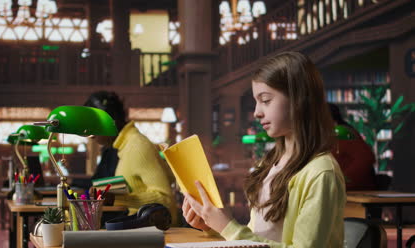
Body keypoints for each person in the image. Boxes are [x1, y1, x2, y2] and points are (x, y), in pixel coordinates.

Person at [182, 51, 346, 247]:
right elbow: (256, 239)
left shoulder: (321, 172)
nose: (257, 113)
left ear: (298, 100)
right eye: (256, 102)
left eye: (266, 100)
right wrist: (214, 226)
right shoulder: (269, 164)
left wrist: (228, 227)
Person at [84, 91, 178, 225]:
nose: (91, 136)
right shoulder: (125, 146)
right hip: (141, 226)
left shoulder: (137, 146)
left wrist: (118, 198)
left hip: (159, 232)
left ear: (111, 122)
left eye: (93, 127)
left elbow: (165, 199)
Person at [328, 103, 377, 191]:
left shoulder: (343, 133)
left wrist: (340, 182)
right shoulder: (328, 136)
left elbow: (366, 159)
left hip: (356, 192)